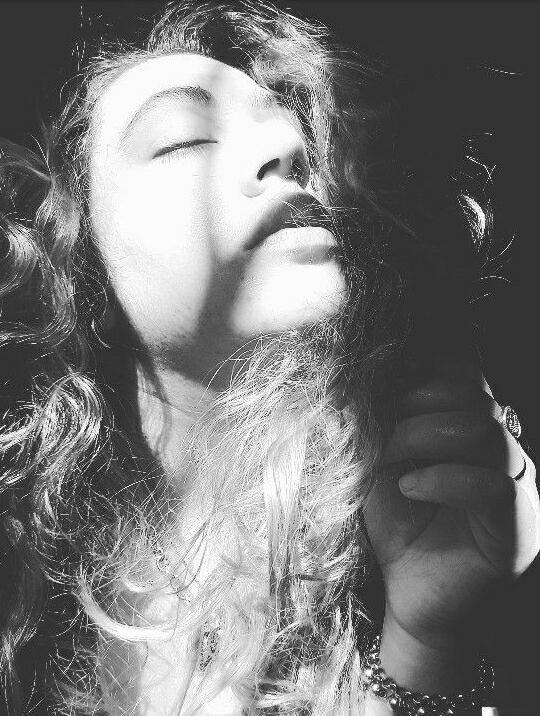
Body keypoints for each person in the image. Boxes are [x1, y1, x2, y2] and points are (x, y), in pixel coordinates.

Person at [0, 1, 538, 714]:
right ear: (75, 255)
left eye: (295, 129)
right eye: (184, 139)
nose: (288, 146)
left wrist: (427, 643)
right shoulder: (19, 574)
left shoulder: (411, 522)